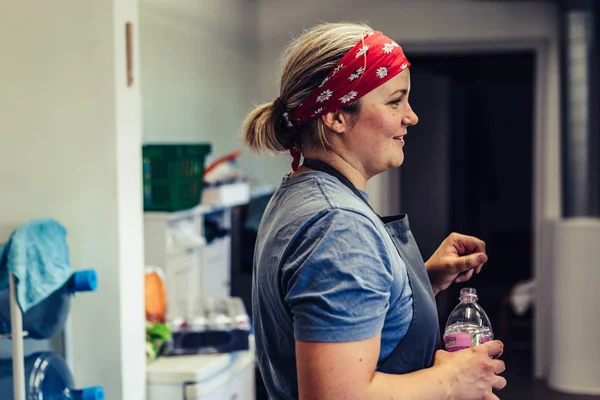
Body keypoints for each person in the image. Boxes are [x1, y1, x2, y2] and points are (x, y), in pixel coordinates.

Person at [241, 22, 507, 400]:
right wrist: (453, 380)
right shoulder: (336, 225)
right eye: (395, 100)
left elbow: (347, 314)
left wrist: (421, 280)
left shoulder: (302, 194)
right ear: (335, 117)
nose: (411, 116)